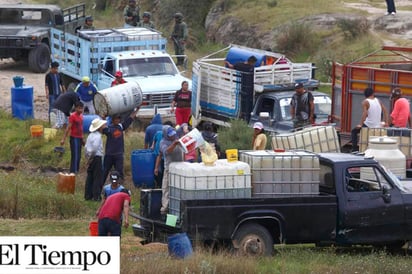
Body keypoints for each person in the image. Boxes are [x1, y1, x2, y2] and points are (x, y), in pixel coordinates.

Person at [102, 107, 140, 182]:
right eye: (115, 119)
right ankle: (100, 185)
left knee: (119, 171)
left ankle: (120, 186)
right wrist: (103, 118)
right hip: (109, 154)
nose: (117, 120)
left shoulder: (121, 127)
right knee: (105, 171)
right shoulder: (109, 128)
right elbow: (102, 126)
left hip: (118, 154)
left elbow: (130, 119)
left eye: (118, 119)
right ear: (112, 120)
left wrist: (137, 110)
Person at [154, 126, 184, 215]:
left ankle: (178, 207)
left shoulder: (177, 139)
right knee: (166, 188)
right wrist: (156, 168)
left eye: (173, 134)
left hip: (180, 168)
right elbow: (165, 152)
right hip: (169, 169)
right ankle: (165, 208)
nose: (173, 136)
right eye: (170, 135)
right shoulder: (163, 142)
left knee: (179, 188)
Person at [351, 87, 388, 152]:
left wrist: (361, 124)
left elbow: (365, 113)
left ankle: (354, 149)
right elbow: (385, 111)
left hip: (369, 125)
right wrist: (386, 122)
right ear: (373, 93)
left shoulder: (365, 102)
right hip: (378, 125)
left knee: (354, 132)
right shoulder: (378, 100)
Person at [225, 56, 257, 122]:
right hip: (249, 88)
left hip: (239, 85)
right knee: (247, 104)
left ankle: (241, 116)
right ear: (252, 62)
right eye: (254, 63)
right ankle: (245, 118)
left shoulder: (239, 65)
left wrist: (227, 63)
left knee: (240, 101)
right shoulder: (251, 68)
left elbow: (231, 67)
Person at [84, 118, 107, 201]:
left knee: (90, 176)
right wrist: (92, 157)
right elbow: (94, 148)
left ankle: (88, 195)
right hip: (96, 157)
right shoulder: (98, 137)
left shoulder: (90, 135)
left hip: (91, 157)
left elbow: (86, 148)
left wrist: (88, 157)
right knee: (97, 177)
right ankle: (96, 196)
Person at [60, 101, 84, 173]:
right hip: (74, 137)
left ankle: (77, 170)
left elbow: (81, 128)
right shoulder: (72, 116)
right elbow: (68, 128)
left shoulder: (81, 116)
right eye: (79, 108)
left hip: (79, 137)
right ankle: (73, 171)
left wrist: (82, 139)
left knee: (79, 155)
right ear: (76, 108)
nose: (81, 110)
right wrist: (63, 139)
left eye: (82, 108)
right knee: (75, 155)